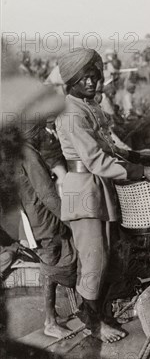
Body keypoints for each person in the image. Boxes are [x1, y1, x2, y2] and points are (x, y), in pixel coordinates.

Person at [55, 47, 150, 343]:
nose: (92, 83)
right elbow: (95, 160)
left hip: (98, 190)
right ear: (71, 82)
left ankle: (102, 314)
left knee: (107, 257)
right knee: (94, 260)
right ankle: (93, 324)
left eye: (95, 77)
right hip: (84, 192)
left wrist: (136, 155)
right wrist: (140, 172)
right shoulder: (72, 113)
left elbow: (108, 147)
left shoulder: (88, 107)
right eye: (85, 79)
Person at [16, 120, 77, 339]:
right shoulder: (28, 154)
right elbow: (48, 196)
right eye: (39, 128)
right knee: (50, 263)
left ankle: (59, 315)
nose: (43, 132)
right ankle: (50, 321)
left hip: (31, 218)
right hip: (42, 220)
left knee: (49, 262)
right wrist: (70, 220)